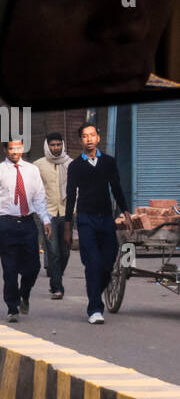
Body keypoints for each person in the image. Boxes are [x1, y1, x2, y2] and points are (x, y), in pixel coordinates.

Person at [0, 139, 52, 322]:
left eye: (18, 147)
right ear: (5, 149)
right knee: (10, 269)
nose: (15, 151)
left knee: (33, 266)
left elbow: (39, 197)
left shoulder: (32, 170)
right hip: (6, 224)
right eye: (11, 148)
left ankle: (24, 294)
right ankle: (12, 307)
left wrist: (45, 219)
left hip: (28, 223)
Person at [64, 122, 129, 324]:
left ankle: (95, 291)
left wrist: (126, 211)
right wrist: (67, 225)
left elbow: (116, 188)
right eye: (85, 136)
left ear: (98, 138)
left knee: (108, 263)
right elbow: (70, 196)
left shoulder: (108, 162)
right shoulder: (75, 166)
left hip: (106, 218)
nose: (89, 139)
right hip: (85, 219)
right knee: (92, 263)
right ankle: (94, 308)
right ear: (81, 140)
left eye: (92, 135)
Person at [33, 132, 72, 299]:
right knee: (53, 251)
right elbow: (34, 191)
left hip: (67, 213)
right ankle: (57, 287)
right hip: (47, 214)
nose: (55, 148)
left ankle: (56, 278)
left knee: (65, 252)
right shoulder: (38, 166)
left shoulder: (70, 164)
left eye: (58, 145)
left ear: (62, 145)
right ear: (47, 146)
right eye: (52, 145)